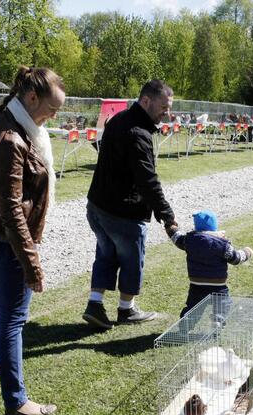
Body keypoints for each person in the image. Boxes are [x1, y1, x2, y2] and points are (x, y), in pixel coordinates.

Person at [0, 66, 65, 415]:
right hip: (8, 237)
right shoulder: (12, 138)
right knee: (14, 318)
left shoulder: (10, 117)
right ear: (31, 98)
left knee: (1, 300)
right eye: (52, 108)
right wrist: (32, 264)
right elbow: (11, 209)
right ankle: (16, 401)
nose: (54, 117)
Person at [83, 79, 178, 330]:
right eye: (164, 107)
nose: (166, 113)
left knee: (105, 253)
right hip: (122, 212)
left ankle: (95, 304)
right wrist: (167, 215)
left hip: (97, 206)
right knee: (132, 259)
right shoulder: (138, 132)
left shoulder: (119, 120)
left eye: (169, 108)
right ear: (146, 100)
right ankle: (127, 309)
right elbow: (147, 180)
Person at [168, 210, 253, 321]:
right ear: (214, 226)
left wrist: (171, 227)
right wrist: (247, 252)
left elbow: (177, 238)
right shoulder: (222, 244)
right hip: (217, 285)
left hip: (196, 284)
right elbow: (235, 258)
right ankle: (218, 320)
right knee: (222, 304)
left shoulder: (189, 241)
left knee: (193, 307)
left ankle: (186, 324)